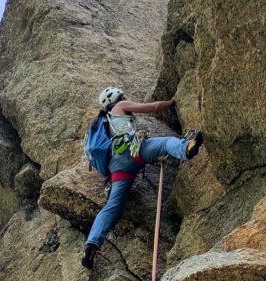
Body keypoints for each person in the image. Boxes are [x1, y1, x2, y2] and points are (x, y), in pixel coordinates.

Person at [81, 86, 203, 269]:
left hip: (117, 166)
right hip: (134, 151)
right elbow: (153, 107)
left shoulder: (103, 122)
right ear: (118, 96)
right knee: (166, 143)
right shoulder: (120, 106)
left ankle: (92, 244)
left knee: (112, 206)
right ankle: (186, 148)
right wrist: (173, 101)